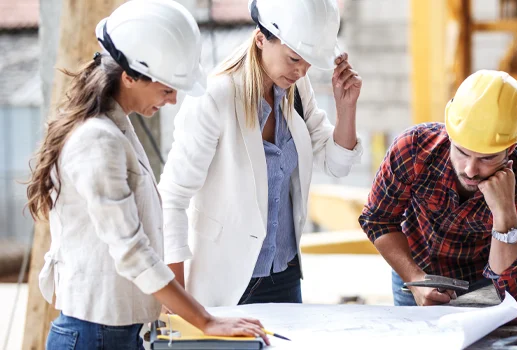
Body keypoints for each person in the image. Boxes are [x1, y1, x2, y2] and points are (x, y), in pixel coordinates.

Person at [25, 1, 269, 348]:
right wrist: (206, 320)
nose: (171, 101)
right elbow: (132, 251)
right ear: (130, 77)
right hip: (96, 335)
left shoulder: (115, 128)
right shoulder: (97, 140)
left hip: (114, 331)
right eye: (167, 89)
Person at [157, 0, 363, 307]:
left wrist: (347, 108)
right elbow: (172, 198)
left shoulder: (296, 88)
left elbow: (336, 165)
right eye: (294, 58)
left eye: (308, 62)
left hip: (285, 276)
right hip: (226, 285)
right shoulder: (216, 97)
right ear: (260, 39)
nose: (301, 70)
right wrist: (178, 305)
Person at [359, 70, 517, 306]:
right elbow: (377, 219)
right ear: (450, 133)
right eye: (462, 152)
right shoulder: (414, 149)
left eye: (487, 158)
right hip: (415, 273)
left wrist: (505, 214)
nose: (470, 170)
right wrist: (415, 279)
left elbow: (514, 291)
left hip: (484, 288)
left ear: (511, 148)